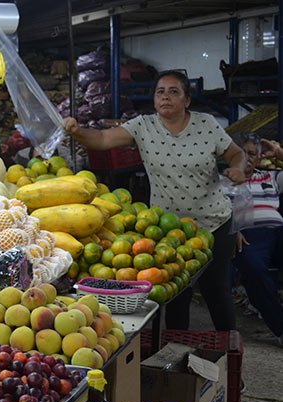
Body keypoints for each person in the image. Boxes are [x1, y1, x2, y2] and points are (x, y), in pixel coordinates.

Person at [63, 70, 247, 331]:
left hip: (214, 223)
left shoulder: (206, 124)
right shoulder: (142, 126)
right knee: (175, 297)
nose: (166, 97)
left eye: (174, 92)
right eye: (160, 92)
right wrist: (77, 131)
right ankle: (174, 360)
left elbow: (235, 153)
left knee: (216, 293)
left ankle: (231, 357)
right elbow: (103, 139)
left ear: (187, 100)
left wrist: (238, 168)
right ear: (154, 99)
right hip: (168, 230)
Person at [232, 133, 283, 343]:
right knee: (254, 270)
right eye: (241, 153)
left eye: (252, 153)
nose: (247, 158)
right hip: (246, 234)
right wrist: (232, 230)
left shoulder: (270, 177)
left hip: (278, 231)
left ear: (259, 157)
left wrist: (279, 153)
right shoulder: (222, 180)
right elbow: (210, 211)